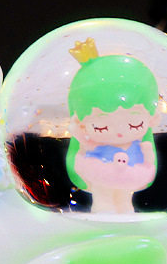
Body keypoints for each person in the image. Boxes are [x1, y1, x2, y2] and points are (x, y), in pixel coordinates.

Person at [66, 38, 159, 214]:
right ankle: (103, 211)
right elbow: (84, 145)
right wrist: (77, 133)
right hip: (100, 173)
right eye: (101, 128)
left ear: (152, 119)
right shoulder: (94, 144)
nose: (119, 133)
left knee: (124, 199)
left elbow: (148, 156)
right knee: (103, 198)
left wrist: (148, 156)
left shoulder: (138, 145)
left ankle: (125, 212)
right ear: (82, 123)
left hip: (129, 176)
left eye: (134, 124)